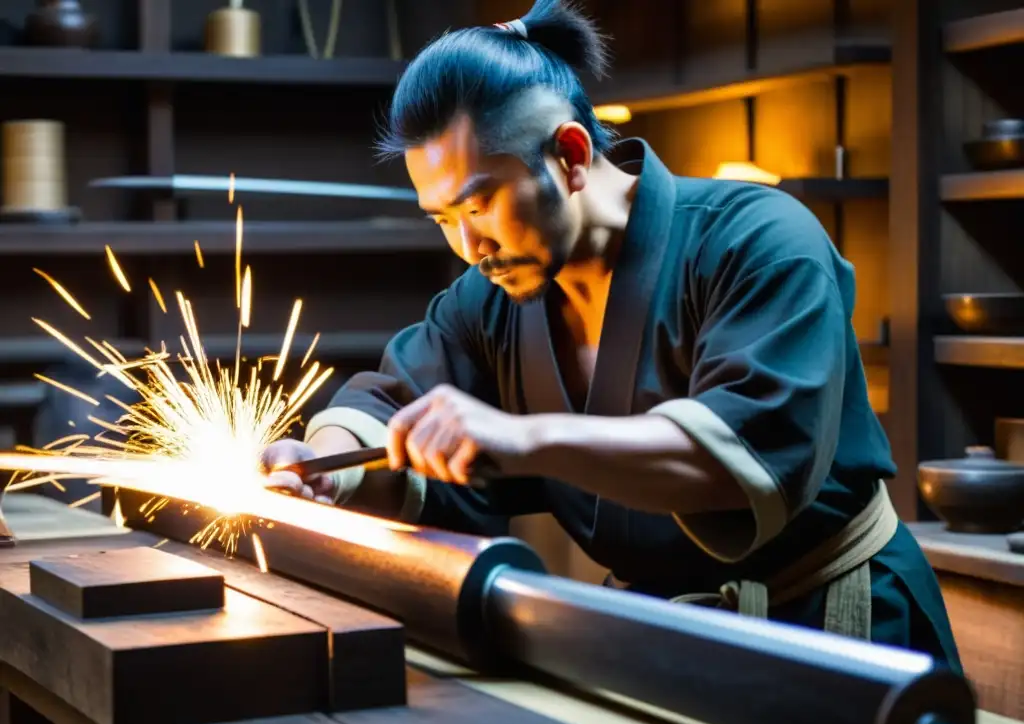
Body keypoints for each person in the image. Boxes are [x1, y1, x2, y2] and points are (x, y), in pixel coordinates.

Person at [263, 0, 961, 670]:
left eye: (479, 204)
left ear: (569, 155)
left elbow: (741, 457)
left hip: (839, 634)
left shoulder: (763, 240)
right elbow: (388, 402)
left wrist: (522, 438)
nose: (468, 244)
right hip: (660, 637)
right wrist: (326, 464)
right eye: (441, 217)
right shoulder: (489, 299)